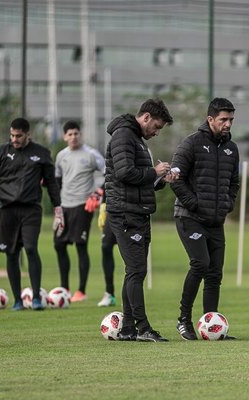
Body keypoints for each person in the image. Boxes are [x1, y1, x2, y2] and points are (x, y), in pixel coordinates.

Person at [104, 98, 176, 342]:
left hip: (138, 210)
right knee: (136, 270)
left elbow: (139, 180)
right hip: (125, 213)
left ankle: (127, 329)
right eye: (156, 126)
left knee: (134, 272)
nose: (156, 132)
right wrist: (153, 172)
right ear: (145, 117)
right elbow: (124, 173)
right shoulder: (124, 136)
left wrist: (159, 180)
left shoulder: (136, 139)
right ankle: (143, 328)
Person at [170, 98, 240, 341]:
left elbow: (234, 182)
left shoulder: (232, 149)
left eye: (231, 119)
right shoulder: (191, 143)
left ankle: (212, 326)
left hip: (215, 220)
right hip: (189, 217)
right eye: (223, 119)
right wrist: (194, 204)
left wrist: (227, 204)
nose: (228, 124)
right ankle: (183, 320)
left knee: (214, 274)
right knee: (200, 263)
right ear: (210, 119)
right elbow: (175, 177)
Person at [0, 117, 62, 311]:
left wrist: (58, 208)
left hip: (31, 209)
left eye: (19, 136)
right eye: (12, 135)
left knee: (31, 248)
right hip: (6, 210)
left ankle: (37, 297)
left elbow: (51, 184)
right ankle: (17, 301)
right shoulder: (0, 152)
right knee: (11, 254)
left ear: (27, 134)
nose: (15, 139)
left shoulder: (41, 153)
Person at [53, 120, 105, 302]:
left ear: (80, 135)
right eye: (70, 134)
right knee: (59, 245)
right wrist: (57, 202)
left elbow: (110, 172)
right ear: (64, 136)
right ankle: (64, 289)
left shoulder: (91, 154)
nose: (73, 137)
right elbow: (57, 179)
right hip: (64, 206)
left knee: (80, 246)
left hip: (83, 206)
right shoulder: (61, 156)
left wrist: (99, 192)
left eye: (76, 133)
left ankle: (81, 291)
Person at [96, 188, 118, 307]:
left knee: (129, 252)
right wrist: (103, 205)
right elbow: (107, 181)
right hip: (112, 208)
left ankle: (132, 294)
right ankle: (109, 293)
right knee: (106, 246)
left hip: (131, 207)